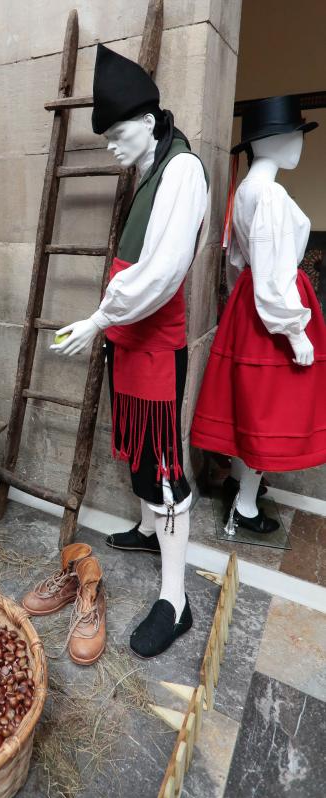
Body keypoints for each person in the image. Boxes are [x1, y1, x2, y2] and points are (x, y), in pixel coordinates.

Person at [51, 45, 209, 658]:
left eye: (117, 135)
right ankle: (149, 531)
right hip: (131, 341)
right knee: (142, 451)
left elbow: (163, 272)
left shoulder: (182, 170)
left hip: (153, 345)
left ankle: (176, 600)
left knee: (164, 466)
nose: (112, 148)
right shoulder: (151, 167)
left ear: (147, 121)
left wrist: (99, 318)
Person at [192, 95, 326, 530]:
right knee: (268, 409)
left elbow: (240, 265)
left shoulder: (247, 190)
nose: (298, 145)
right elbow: (271, 273)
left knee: (251, 402)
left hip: (252, 305)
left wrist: (242, 306)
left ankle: (237, 483)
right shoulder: (267, 193)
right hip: (273, 305)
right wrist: (294, 330)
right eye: (292, 135)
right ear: (270, 140)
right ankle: (245, 506)